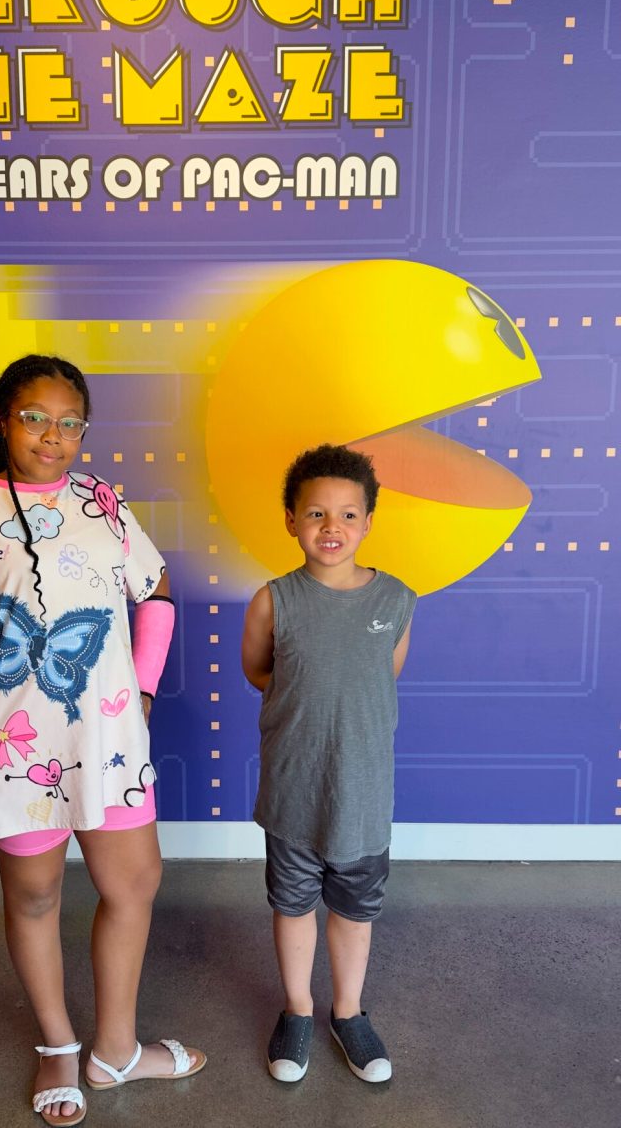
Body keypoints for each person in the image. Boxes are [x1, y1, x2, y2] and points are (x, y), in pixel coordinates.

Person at [0, 354, 205, 1127]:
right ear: (1, 418)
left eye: (70, 423)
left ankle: (116, 1050)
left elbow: (156, 588)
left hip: (108, 737)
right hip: (16, 742)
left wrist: (145, 689)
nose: (53, 436)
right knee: (34, 896)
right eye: (35, 417)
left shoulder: (101, 499)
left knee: (133, 883)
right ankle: (59, 1045)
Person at [241, 443, 416, 1086]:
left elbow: (383, 678)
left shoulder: (396, 601)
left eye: (347, 514)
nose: (331, 527)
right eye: (316, 513)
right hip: (294, 791)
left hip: (363, 796)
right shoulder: (273, 600)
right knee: (292, 906)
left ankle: (348, 1012)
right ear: (291, 520)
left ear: (369, 521)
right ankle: (297, 1010)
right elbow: (260, 671)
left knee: (354, 911)